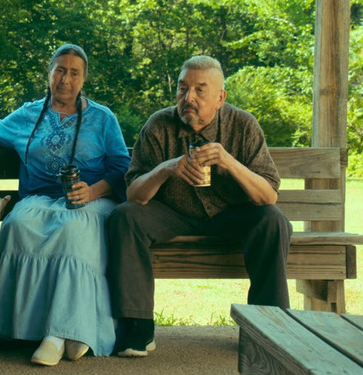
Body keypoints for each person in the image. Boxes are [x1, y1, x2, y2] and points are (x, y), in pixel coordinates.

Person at [107, 55, 292, 358]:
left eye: (200, 91)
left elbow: (268, 195)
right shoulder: (158, 125)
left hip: (231, 216)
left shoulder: (243, 125)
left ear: (220, 97)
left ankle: (267, 328)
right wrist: (165, 169)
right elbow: (134, 194)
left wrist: (228, 161)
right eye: (182, 89)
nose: (188, 98)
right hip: (172, 215)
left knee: (273, 220)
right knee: (125, 216)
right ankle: (136, 327)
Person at [0, 44, 130, 366]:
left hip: (89, 200)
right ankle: (29, 330)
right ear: (49, 74)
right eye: (59, 70)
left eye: (74, 72)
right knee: (17, 226)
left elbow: (122, 168)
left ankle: (60, 334)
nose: (65, 79)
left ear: (84, 78)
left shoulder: (102, 118)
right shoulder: (29, 114)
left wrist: (93, 191)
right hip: (38, 199)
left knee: (73, 230)